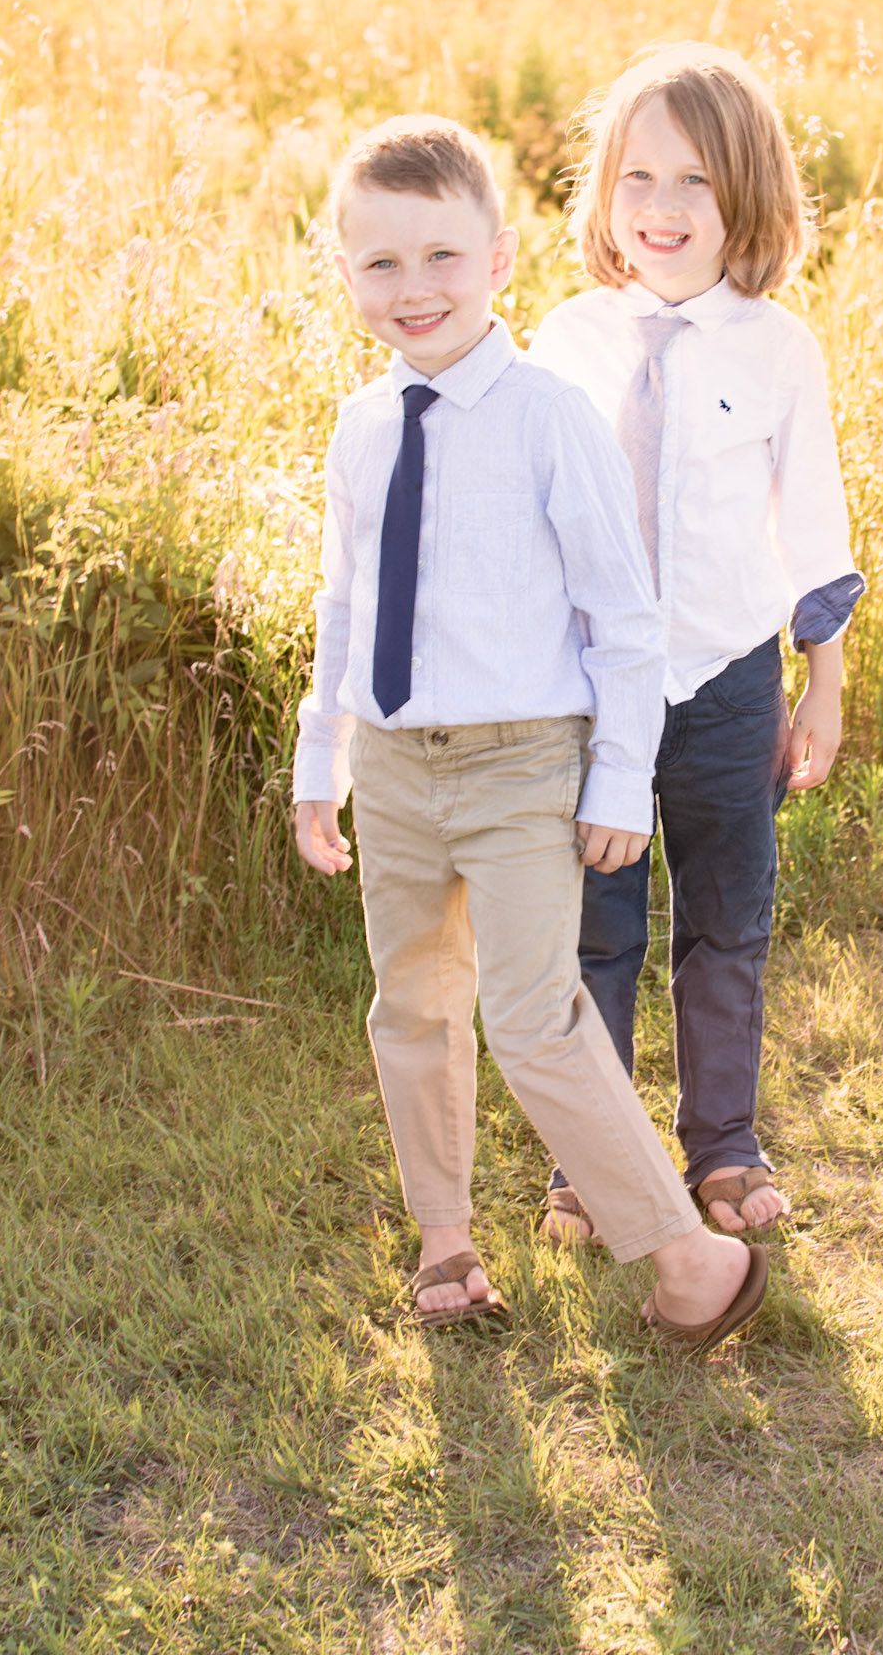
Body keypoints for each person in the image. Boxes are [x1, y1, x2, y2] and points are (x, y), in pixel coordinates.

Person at [291, 111, 768, 1347]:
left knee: (532, 1012)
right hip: (395, 763)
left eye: (442, 256)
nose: (414, 288)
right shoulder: (362, 427)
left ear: (499, 258)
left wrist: (617, 778)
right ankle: (445, 1240)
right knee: (411, 1003)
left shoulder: (549, 414)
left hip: (522, 762)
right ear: (345, 273)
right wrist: (320, 760)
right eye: (382, 262)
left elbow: (624, 615)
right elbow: (344, 604)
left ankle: (688, 1253)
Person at [529, 44, 864, 1243]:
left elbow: (811, 517)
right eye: (639, 176)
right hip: (593, 689)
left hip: (727, 679)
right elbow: (529, 517)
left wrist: (822, 680)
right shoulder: (568, 340)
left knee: (727, 916)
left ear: (747, 199)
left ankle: (722, 1141)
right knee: (597, 928)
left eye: (696, 182)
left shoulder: (776, 349)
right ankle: (595, 1158)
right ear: (604, 192)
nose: (662, 207)